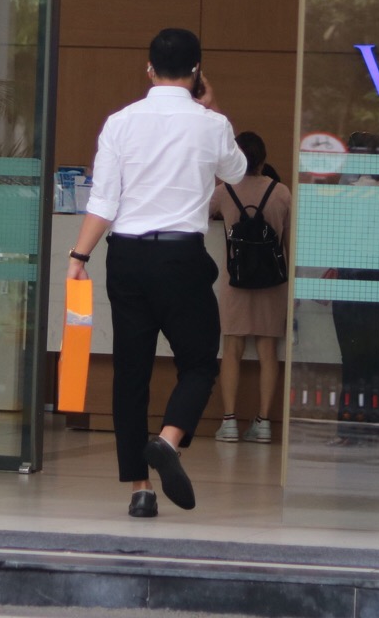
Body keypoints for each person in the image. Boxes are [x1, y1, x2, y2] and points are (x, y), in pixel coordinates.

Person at [66, 28, 247, 518]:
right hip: (182, 258)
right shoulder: (212, 124)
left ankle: (140, 491)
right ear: (197, 71)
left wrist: (79, 257)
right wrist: (211, 106)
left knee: (131, 373)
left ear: (148, 69)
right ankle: (167, 440)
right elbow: (236, 172)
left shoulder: (120, 123)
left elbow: (103, 201)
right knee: (199, 363)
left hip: (126, 257)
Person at [209, 130, 292, 444]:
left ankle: (229, 421)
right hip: (273, 283)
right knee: (268, 352)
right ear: (263, 160)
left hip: (237, 282)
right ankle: (264, 422)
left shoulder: (224, 191)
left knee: (232, 350)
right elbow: (289, 243)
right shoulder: (281, 192)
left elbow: (197, 213)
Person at [329, 131, 379, 445]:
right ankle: (374, 423)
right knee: (372, 351)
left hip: (352, 275)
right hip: (375, 275)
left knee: (351, 354)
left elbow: (345, 238)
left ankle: (350, 426)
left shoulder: (350, 194)